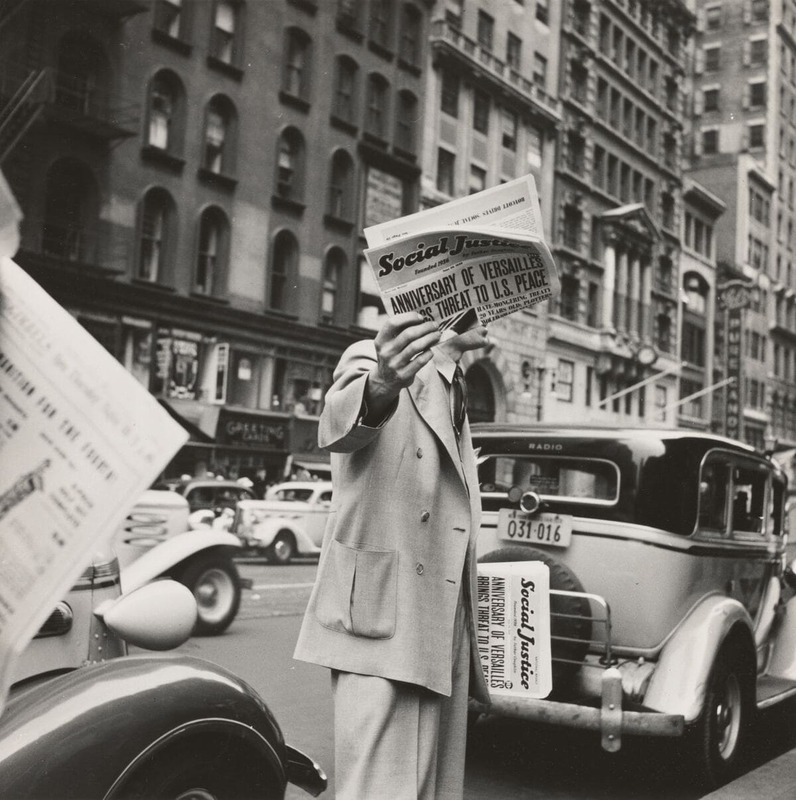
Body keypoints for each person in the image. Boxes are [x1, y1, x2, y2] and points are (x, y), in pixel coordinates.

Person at [293, 311, 491, 800]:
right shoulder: (375, 357)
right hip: (383, 624)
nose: (492, 317)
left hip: (439, 628)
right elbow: (338, 426)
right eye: (480, 300)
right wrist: (382, 380)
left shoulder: (454, 382)